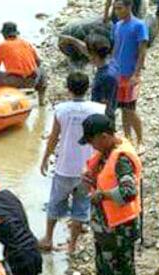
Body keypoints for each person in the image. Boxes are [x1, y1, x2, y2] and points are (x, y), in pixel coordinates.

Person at [79, 114, 142, 275]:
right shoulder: (105, 154)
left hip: (119, 231)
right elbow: (104, 179)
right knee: (104, 270)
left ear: (104, 137)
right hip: (103, 228)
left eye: (92, 140)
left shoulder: (122, 159)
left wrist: (102, 194)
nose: (90, 145)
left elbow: (128, 192)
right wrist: (91, 180)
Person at [38, 72, 106, 254]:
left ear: (68, 89)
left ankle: (48, 238)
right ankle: (72, 245)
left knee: (55, 203)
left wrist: (45, 158)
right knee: (81, 207)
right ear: (88, 88)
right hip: (87, 169)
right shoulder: (98, 109)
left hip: (64, 167)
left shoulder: (61, 110)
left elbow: (54, 137)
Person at [111, 0, 149, 152]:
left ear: (129, 7)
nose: (117, 12)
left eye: (119, 8)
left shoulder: (139, 25)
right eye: (115, 9)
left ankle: (140, 141)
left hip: (131, 75)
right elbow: (116, 47)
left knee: (131, 109)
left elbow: (142, 51)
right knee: (122, 108)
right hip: (118, 73)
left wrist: (137, 73)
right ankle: (127, 138)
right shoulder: (117, 26)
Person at [0, 22, 48, 106]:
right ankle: (42, 101)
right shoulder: (26, 43)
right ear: (16, 33)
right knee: (42, 70)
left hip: (17, 81)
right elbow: (38, 62)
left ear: (4, 34)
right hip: (33, 80)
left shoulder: (1, 46)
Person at [57, 34, 118, 121]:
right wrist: (72, 40)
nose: (87, 55)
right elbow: (86, 50)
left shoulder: (106, 77)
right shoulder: (111, 62)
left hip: (102, 120)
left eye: (89, 52)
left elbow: (104, 104)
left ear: (93, 55)